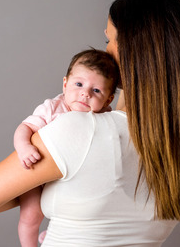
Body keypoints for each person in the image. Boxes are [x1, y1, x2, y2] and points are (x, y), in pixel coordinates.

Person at [0, 0, 180, 246]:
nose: (105, 49)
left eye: (110, 39)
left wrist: (39, 181)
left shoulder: (80, 130)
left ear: (132, 50)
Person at [14, 48, 120, 246]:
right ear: (65, 84)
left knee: (75, 206)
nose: (85, 94)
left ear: (108, 100)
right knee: (31, 216)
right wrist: (24, 148)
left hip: (70, 176)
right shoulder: (53, 107)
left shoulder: (104, 116)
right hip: (37, 173)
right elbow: (25, 127)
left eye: (96, 90)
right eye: (78, 84)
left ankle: (56, 233)